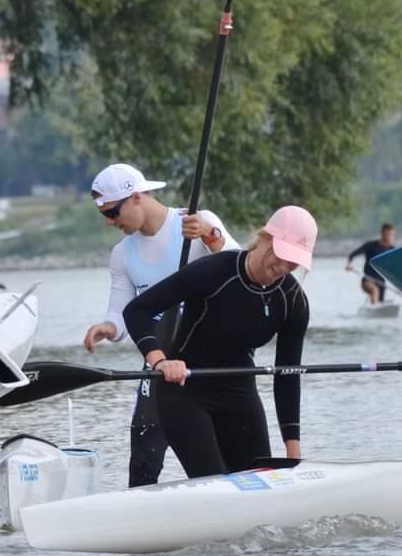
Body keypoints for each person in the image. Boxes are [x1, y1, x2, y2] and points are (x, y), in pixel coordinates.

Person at [123, 205, 315, 478]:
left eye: (294, 262)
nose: (283, 267)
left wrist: (293, 457)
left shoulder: (293, 300)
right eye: (281, 255)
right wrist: (160, 361)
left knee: (258, 481)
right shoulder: (214, 271)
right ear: (265, 237)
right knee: (215, 479)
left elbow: (287, 376)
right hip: (185, 389)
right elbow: (136, 311)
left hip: (240, 393)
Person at [82, 163, 238, 486]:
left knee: (223, 458)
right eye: (104, 216)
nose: (110, 223)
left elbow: (243, 274)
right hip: (159, 362)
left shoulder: (196, 222)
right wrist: (107, 328)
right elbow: (122, 314)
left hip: (209, 359)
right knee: (142, 461)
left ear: (136, 197)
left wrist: (213, 238)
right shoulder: (122, 255)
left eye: (112, 212)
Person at [345, 223, 397, 304]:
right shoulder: (371, 245)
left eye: (393, 235)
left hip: (381, 282)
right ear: (382, 234)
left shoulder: (392, 250)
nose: (391, 237)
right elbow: (353, 254)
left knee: (380, 301)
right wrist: (349, 263)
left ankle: (375, 306)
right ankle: (374, 306)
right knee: (374, 290)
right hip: (367, 279)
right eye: (389, 234)